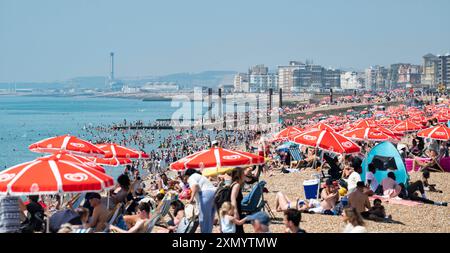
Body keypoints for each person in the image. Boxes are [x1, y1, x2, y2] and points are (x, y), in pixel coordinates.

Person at [183, 169, 217, 233]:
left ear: (187, 175)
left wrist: (191, 198)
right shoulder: (200, 176)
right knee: (210, 217)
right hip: (214, 193)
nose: (184, 178)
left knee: (203, 217)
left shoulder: (191, 177)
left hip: (206, 194)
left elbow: (195, 186)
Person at [229, 168, 245, 233]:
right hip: (235, 210)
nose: (244, 175)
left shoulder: (233, 183)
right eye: (243, 174)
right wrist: (235, 212)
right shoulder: (237, 185)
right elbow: (233, 197)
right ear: (239, 175)